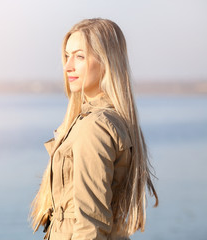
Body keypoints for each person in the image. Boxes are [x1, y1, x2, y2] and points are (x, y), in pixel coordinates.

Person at [30, 18, 158, 240]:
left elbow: (90, 226)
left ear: (106, 62)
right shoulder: (111, 120)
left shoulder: (94, 126)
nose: (68, 66)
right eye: (67, 56)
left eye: (79, 56)